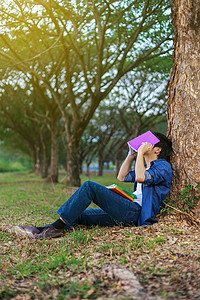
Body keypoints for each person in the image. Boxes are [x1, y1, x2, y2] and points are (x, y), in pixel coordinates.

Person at [14, 132, 172, 239]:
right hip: (126, 210)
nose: (143, 144)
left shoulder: (163, 166)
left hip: (135, 213)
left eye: (147, 143)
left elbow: (139, 177)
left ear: (157, 149)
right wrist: (131, 155)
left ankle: (54, 229)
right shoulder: (146, 167)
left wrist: (141, 154)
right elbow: (121, 176)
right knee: (79, 214)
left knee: (89, 186)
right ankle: (41, 230)